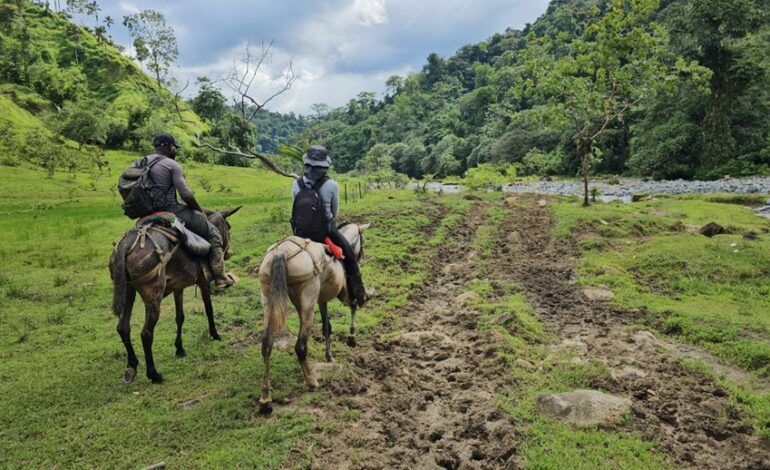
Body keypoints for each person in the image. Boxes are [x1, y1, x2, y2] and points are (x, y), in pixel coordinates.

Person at [144, 133, 234, 288]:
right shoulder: (171, 165)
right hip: (170, 209)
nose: (175, 151)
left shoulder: (142, 162)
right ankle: (220, 276)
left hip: (147, 212)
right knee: (213, 233)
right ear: (169, 147)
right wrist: (199, 211)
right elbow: (186, 195)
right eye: (175, 147)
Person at [291, 145, 368, 306]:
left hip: (300, 234)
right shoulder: (332, 185)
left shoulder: (295, 184)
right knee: (351, 258)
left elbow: (295, 209)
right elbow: (335, 212)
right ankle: (359, 295)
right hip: (324, 232)